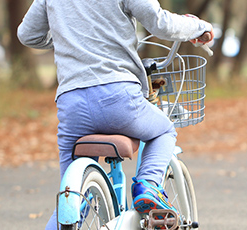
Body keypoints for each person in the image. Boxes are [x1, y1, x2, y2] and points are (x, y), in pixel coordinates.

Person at [17, 0, 213, 229]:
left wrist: (70, 42)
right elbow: (160, 22)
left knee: (71, 197)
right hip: (118, 98)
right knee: (165, 130)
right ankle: (148, 187)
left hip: (72, 106)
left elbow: (27, 34)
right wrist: (198, 27)